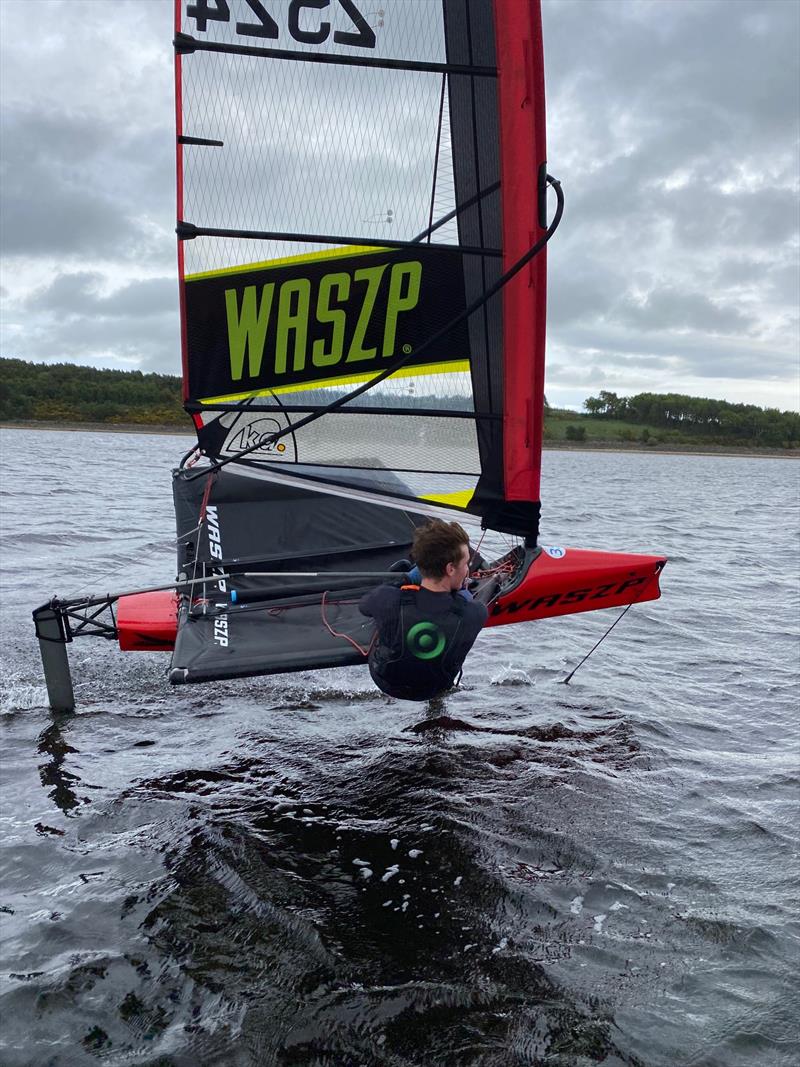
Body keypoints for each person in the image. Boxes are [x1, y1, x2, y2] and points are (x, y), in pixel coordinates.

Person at [359, 519, 488, 701]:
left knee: (384, 618)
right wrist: (460, 593)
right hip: (435, 689)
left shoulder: (388, 598)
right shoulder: (475, 613)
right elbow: (459, 606)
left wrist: (404, 580)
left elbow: (364, 606)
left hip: (387, 682)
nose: (467, 570)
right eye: (466, 563)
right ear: (450, 569)